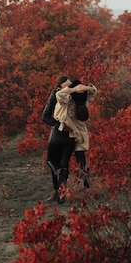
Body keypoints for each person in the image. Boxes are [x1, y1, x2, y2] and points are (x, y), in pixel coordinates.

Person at [54, 79, 97, 190]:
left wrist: (85, 87)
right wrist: (74, 89)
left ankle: (86, 186)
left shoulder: (82, 102)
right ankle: (62, 189)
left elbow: (93, 91)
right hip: (66, 133)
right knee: (64, 162)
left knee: (81, 161)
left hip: (78, 134)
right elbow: (59, 94)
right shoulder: (66, 101)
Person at [42, 75, 74, 203]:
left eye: (71, 86)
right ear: (59, 88)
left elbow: (45, 116)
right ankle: (59, 192)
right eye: (67, 86)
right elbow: (45, 116)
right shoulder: (56, 95)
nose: (70, 88)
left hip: (67, 134)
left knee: (59, 163)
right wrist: (59, 125)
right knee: (57, 163)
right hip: (61, 133)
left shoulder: (75, 96)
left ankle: (60, 192)